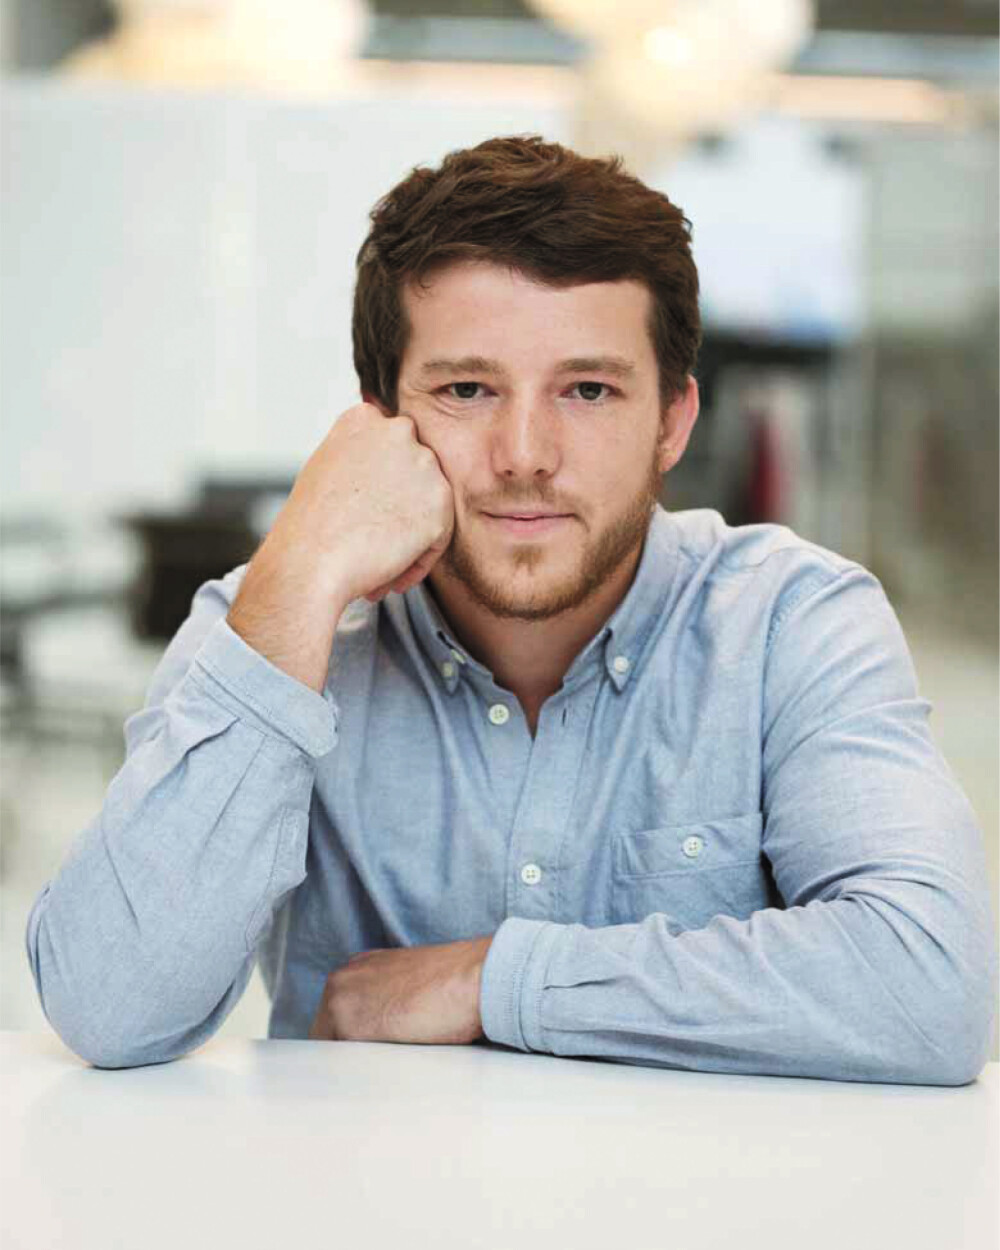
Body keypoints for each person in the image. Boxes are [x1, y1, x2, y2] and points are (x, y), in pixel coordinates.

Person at [27, 136, 997, 1079]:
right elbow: (110, 1006)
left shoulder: (793, 621)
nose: (524, 452)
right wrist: (301, 572)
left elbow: (932, 986)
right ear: (377, 418)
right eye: (465, 388)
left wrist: (491, 978)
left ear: (671, 420)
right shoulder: (275, 617)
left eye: (586, 389)